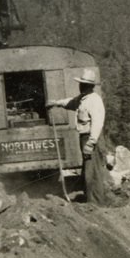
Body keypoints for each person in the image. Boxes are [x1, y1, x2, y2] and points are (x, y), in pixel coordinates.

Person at [47, 68, 109, 204]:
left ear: (89, 86)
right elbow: (70, 103)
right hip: (85, 138)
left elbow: (97, 124)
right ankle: (90, 200)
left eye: (83, 84)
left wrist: (91, 143)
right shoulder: (82, 99)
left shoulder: (95, 101)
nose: (80, 86)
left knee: (92, 173)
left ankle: (96, 204)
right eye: (80, 83)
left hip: (92, 139)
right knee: (88, 171)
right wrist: (56, 103)